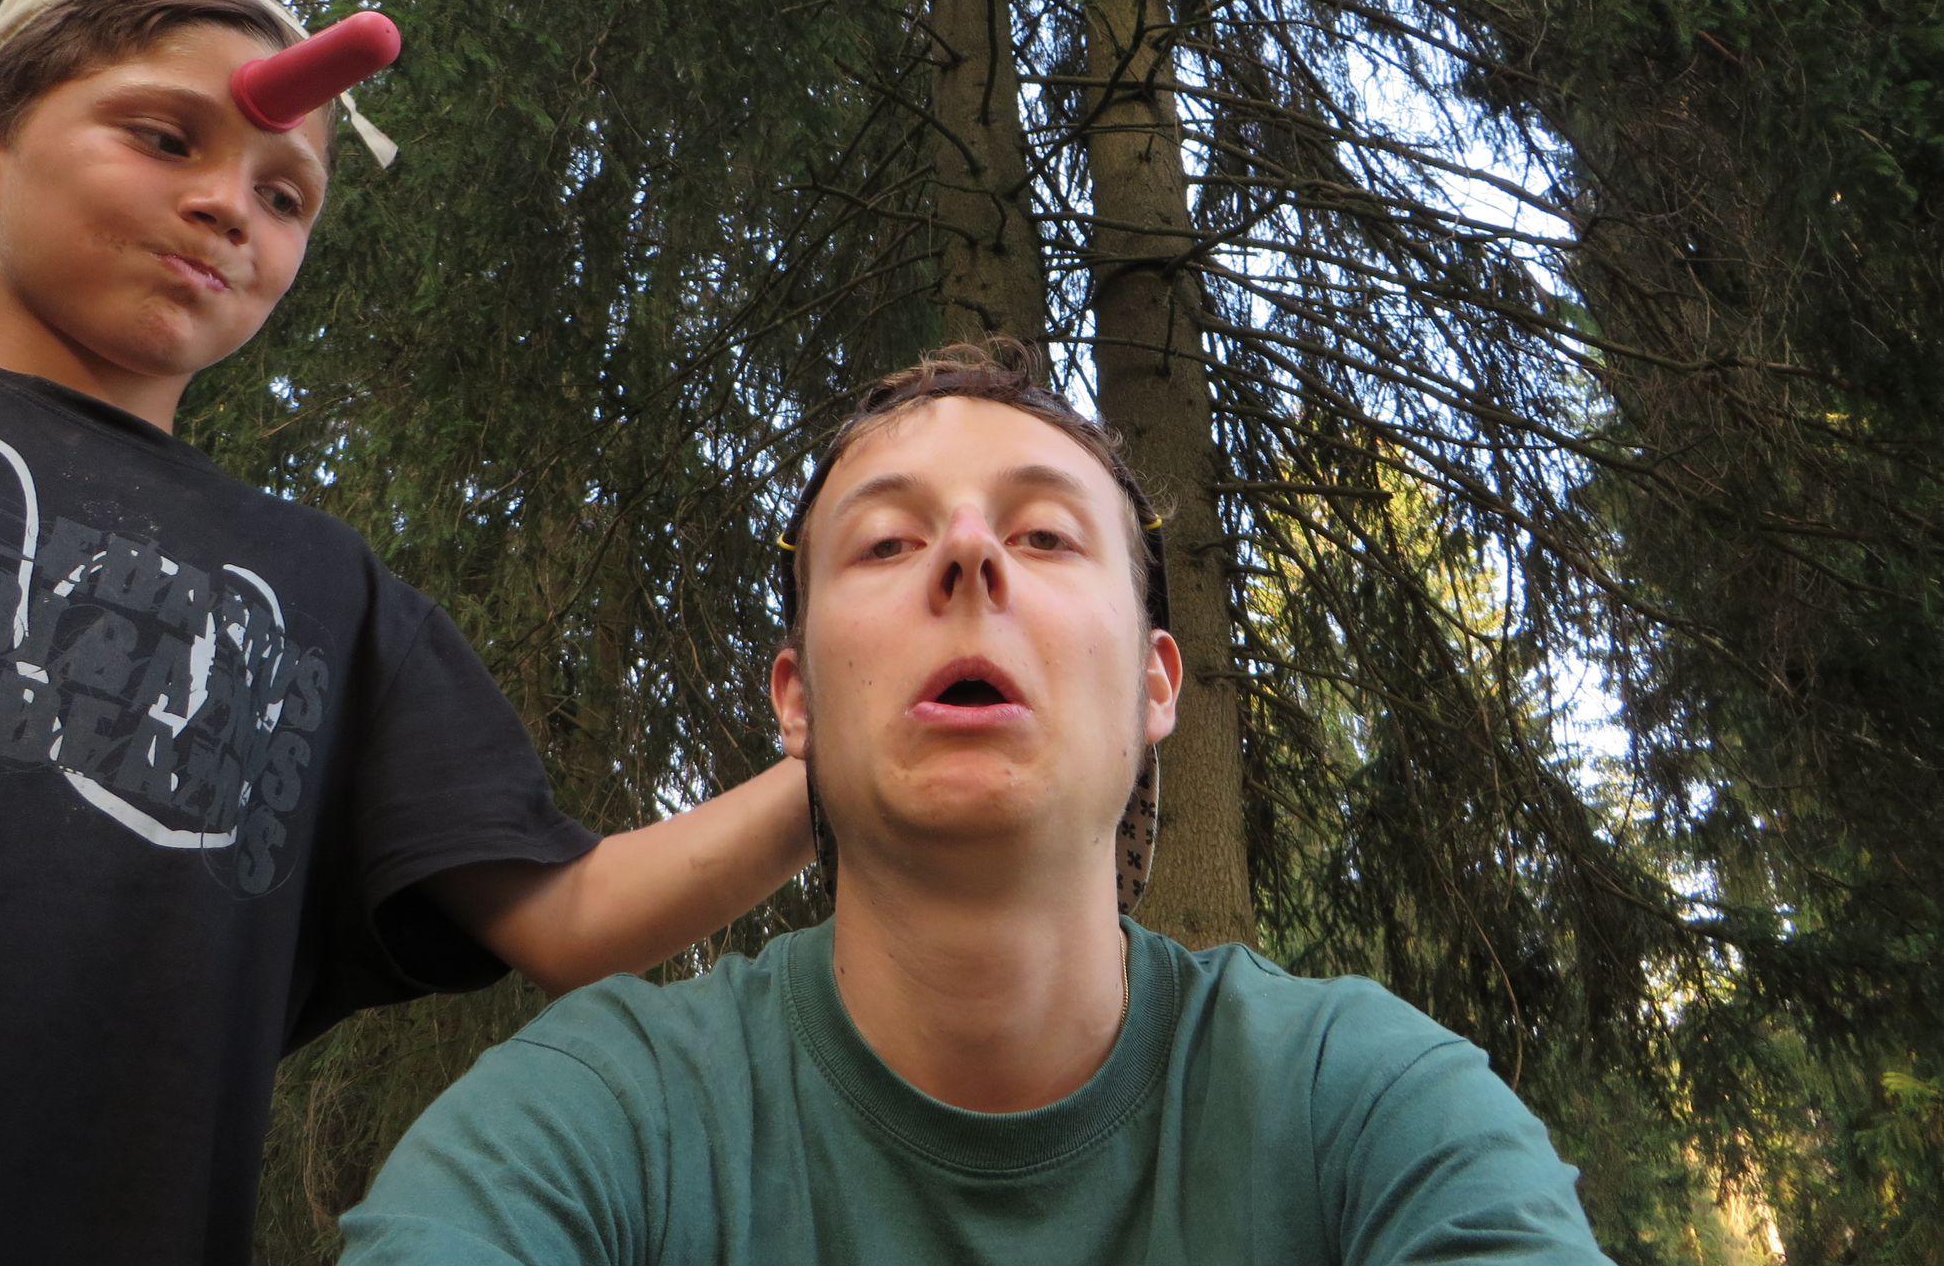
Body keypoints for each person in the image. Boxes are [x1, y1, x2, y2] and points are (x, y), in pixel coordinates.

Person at [338, 341, 1613, 1264]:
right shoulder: (601, 1115)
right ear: (797, 701)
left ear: (1156, 682)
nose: (967, 552)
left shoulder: (1361, 1099)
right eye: (887, 542)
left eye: (1046, 534)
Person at [0, 0, 811, 1264]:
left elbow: (569, 914)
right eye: (166, 139)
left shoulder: (323, 594)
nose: (231, 208)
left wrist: (842, 772)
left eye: (285, 195)